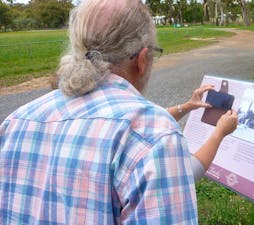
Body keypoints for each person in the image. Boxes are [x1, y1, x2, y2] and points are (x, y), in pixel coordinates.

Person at [0, 0, 238, 224]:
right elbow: (141, 139)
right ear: (142, 59)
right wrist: (219, 133)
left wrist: (184, 107)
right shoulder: (154, 134)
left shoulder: (16, 121)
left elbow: (110, 123)